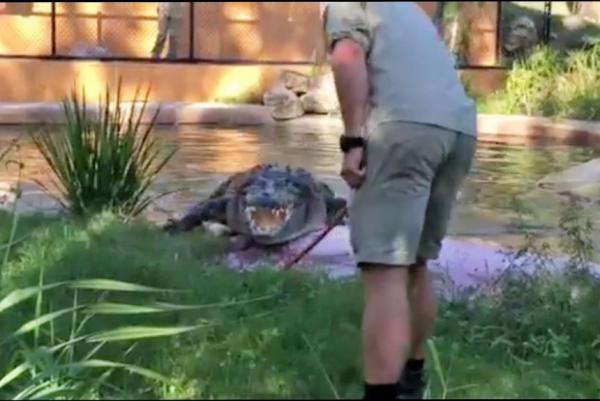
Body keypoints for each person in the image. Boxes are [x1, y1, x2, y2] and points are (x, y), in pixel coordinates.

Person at [321, 2, 478, 399]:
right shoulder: (406, 9)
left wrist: (353, 140)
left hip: (405, 129)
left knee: (385, 271)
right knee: (416, 263)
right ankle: (412, 379)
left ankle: (382, 393)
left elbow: (347, 56)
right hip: (458, 130)